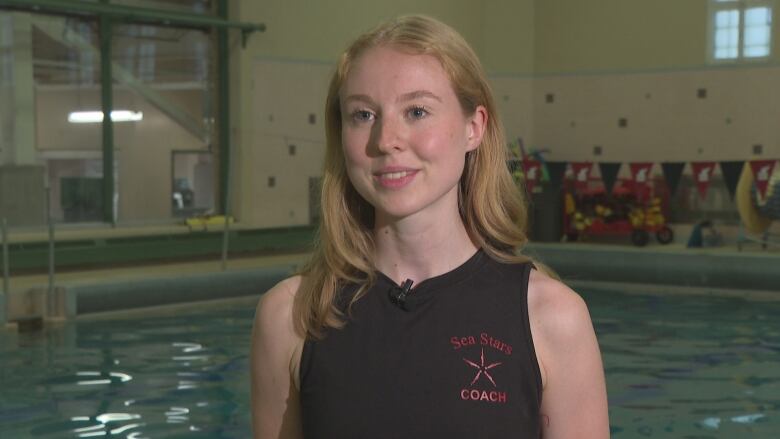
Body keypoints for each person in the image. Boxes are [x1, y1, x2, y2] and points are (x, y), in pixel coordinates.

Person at [251, 14, 609, 439]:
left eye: (417, 111)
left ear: (474, 128)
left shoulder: (552, 319)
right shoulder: (292, 317)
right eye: (363, 114)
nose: (386, 140)